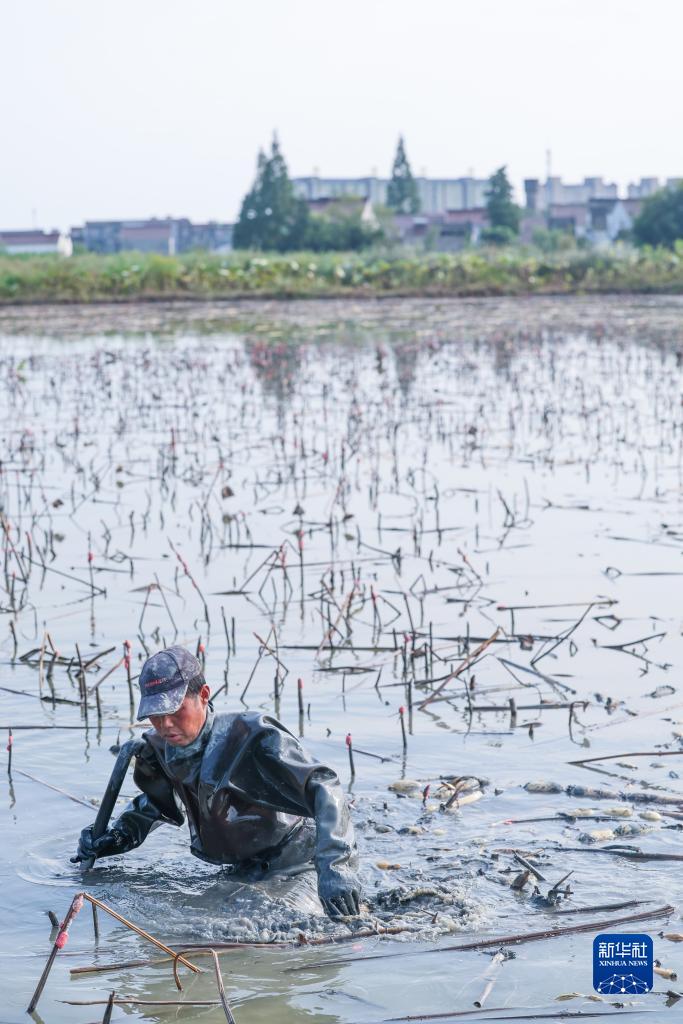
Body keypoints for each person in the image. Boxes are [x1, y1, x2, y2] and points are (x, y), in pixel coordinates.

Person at [72, 646, 361, 918]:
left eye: (175, 710)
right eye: (156, 715)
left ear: (204, 695)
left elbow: (324, 786)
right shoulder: (161, 749)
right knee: (199, 922)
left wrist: (335, 867)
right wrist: (117, 837)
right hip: (243, 869)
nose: (165, 724)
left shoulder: (253, 736)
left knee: (276, 925)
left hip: (300, 864)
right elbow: (158, 803)